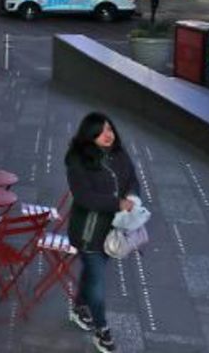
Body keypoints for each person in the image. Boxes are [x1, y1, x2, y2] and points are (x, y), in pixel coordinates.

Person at [66, 112, 140, 353]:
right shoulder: (77, 160)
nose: (107, 135)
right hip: (88, 232)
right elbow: (85, 197)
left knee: (91, 273)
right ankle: (102, 331)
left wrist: (131, 196)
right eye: (100, 132)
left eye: (110, 129)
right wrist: (118, 203)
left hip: (113, 231)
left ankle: (78, 307)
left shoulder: (118, 153)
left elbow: (132, 179)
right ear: (89, 136)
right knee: (97, 282)